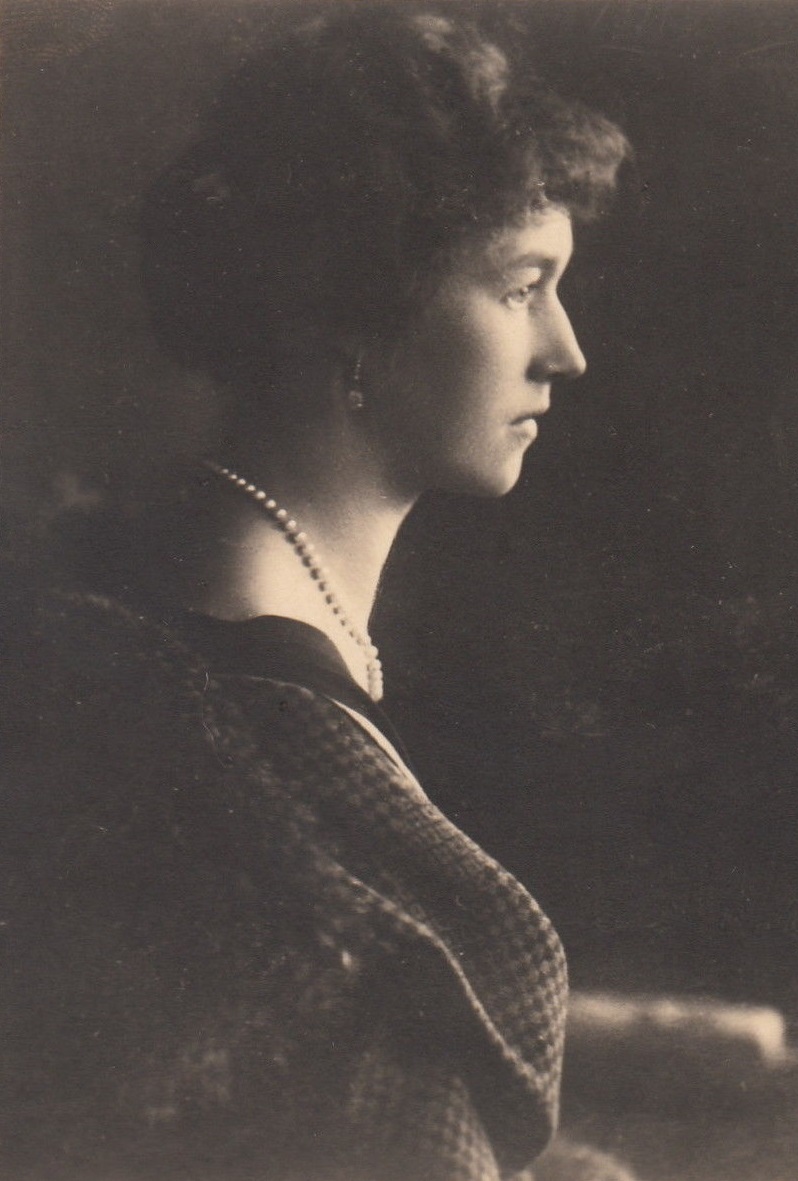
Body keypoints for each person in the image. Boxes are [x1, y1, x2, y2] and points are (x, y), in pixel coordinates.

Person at [0, 7, 630, 1179]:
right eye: (520, 285)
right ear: (353, 310)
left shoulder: (160, 573)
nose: (565, 348)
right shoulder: (254, 711)